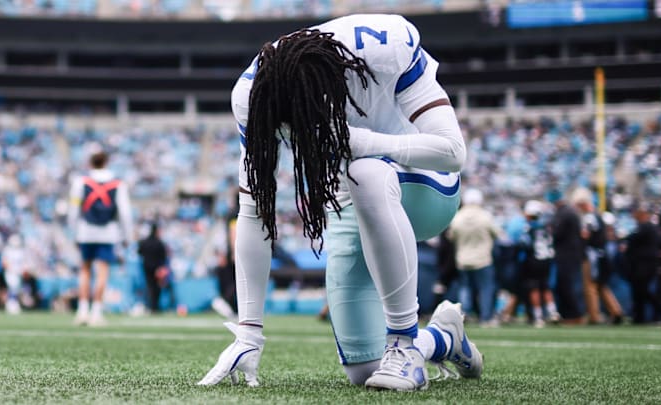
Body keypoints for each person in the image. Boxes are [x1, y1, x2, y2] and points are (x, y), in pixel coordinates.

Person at [199, 14, 483, 391]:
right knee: (365, 371)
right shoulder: (251, 95)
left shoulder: (385, 47)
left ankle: (402, 343)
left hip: (425, 187)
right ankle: (443, 339)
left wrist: (365, 143)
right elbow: (254, 211)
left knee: (364, 171)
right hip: (353, 203)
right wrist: (249, 334)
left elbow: (451, 152)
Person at [68, 148, 133, 326]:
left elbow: (73, 209)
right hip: (108, 232)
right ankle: (96, 312)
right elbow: (125, 213)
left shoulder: (81, 181)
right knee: (102, 272)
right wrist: (127, 235)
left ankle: (82, 311)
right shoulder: (118, 184)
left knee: (85, 270)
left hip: (85, 231)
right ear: (106, 161)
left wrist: (73, 232)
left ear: (91, 162)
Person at [446, 189, 501, 324]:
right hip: (483, 259)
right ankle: (485, 316)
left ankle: (465, 314)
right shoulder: (485, 216)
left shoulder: (457, 217)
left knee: (465, 287)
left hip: (463, 259)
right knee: (485, 288)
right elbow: (497, 233)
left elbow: (451, 236)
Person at [571, 188, 623, 325]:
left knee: (590, 286)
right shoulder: (597, 216)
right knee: (601, 285)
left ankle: (594, 315)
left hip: (591, 255)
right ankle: (616, 311)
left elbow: (585, 235)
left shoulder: (589, 217)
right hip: (601, 254)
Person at [517, 200, 560, 328]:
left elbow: (524, 244)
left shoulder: (528, 228)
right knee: (546, 287)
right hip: (546, 260)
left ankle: (538, 316)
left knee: (534, 288)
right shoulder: (546, 227)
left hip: (533, 260)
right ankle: (553, 312)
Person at [547, 189, 584, 323]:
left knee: (566, 286)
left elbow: (556, 233)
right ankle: (570, 315)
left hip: (566, 255)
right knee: (565, 285)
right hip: (570, 254)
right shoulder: (569, 212)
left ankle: (573, 315)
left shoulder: (564, 213)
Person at [625, 202, 661, 324]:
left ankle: (659, 309)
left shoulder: (646, 227)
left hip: (644, 264)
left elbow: (632, 238)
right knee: (640, 291)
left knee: (641, 290)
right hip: (643, 264)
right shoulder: (647, 227)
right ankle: (640, 316)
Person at [137, 223, 169, 313]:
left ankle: (150, 306)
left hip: (147, 267)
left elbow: (139, 252)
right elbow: (163, 256)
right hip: (157, 268)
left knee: (150, 286)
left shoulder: (144, 242)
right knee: (156, 288)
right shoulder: (159, 243)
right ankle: (155, 306)